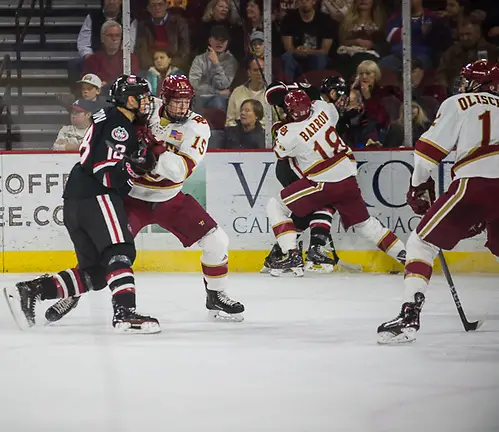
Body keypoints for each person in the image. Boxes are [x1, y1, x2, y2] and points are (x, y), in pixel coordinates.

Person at [45, 75, 245, 324]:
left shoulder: (198, 126)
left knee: (217, 241)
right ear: (165, 98)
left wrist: (155, 149)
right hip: (132, 197)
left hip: (170, 199)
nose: (182, 107)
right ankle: (71, 294)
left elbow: (179, 170)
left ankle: (215, 294)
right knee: (108, 254)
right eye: (176, 102)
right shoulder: (146, 108)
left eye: (186, 102)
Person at [4, 75, 160, 334]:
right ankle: (125, 313)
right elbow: (107, 174)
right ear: (129, 99)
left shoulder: (107, 117)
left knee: (96, 273)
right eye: (142, 97)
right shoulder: (119, 126)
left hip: (77, 199)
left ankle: (29, 291)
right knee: (119, 251)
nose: (147, 102)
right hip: (96, 196)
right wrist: (133, 167)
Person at [377, 59, 499, 344]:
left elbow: (427, 152)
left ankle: (408, 318)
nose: (463, 85)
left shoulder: (460, 102)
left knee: (421, 243)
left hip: (475, 184)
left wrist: (419, 185)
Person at [265, 89, 407, 276]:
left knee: (276, 206)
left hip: (322, 182)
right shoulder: (323, 109)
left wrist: (279, 126)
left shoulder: (289, 132)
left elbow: (280, 152)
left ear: (291, 111)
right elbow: (322, 108)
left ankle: (291, 254)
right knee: (365, 224)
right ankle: (407, 257)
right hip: (348, 178)